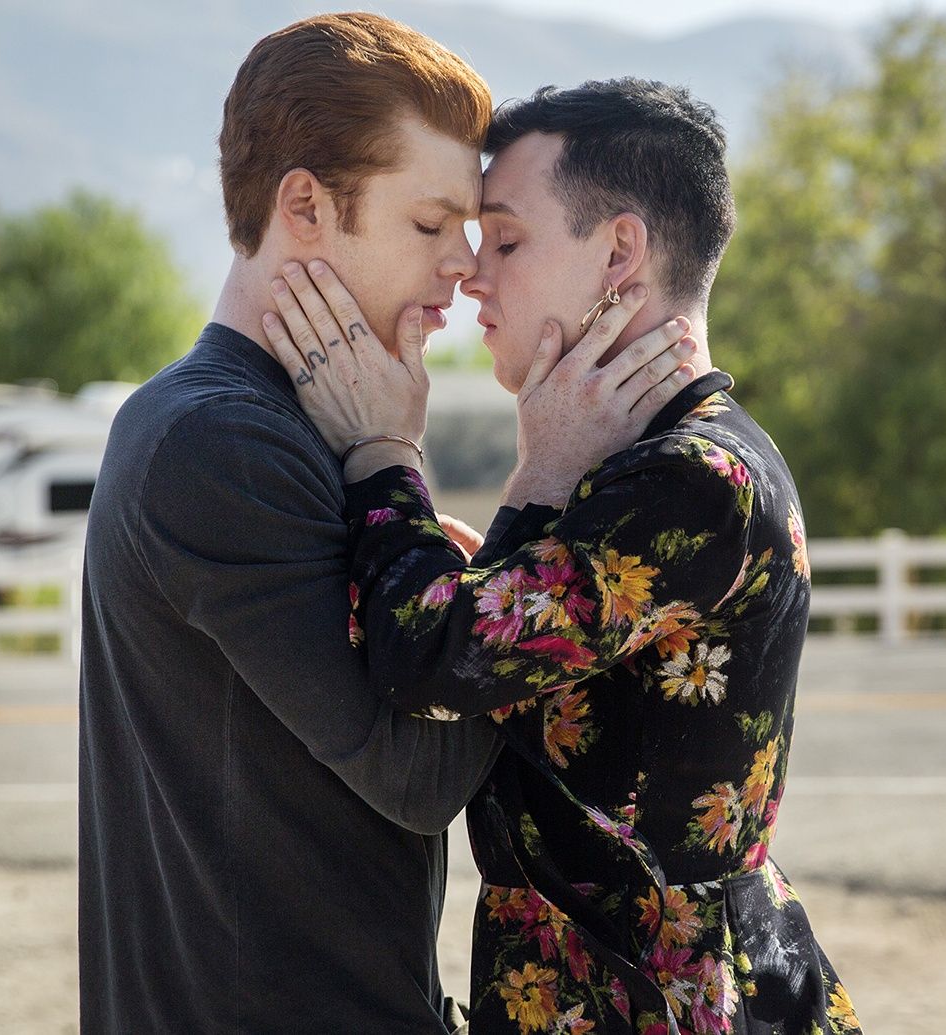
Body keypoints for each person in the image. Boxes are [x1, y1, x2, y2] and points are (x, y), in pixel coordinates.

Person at [264, 78, 863, 1035]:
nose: (471, 275)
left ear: (620, 252)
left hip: (647, 1005)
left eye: (505, 239)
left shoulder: (693, 479)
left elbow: (434, 661)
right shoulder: (654, 462)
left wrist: (385, 454)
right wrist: (524, 514)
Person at [78, 14, 513, 1032]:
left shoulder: (272, 426)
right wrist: (522, 618)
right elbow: (417, 775)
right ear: (306, 205)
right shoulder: (223, 444)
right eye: (429, 224)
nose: (468, 264)